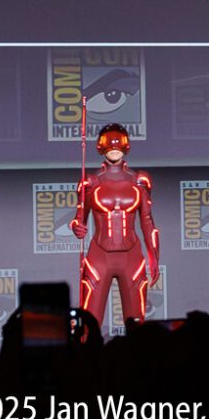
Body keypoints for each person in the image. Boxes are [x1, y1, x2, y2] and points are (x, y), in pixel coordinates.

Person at [69, 123, 160, 327]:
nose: (114, 149)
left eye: (118, 146)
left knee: (137, 325)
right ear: (101, 148)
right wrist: (76, 228)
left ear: (126, 147)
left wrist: (154, 256)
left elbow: (147, 221)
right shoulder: (89, 182)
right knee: (89, 324)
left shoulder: (140, 181)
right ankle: (87, 358)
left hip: (132, 258)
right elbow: (79, 219)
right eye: (109, 146)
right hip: (99, 258)